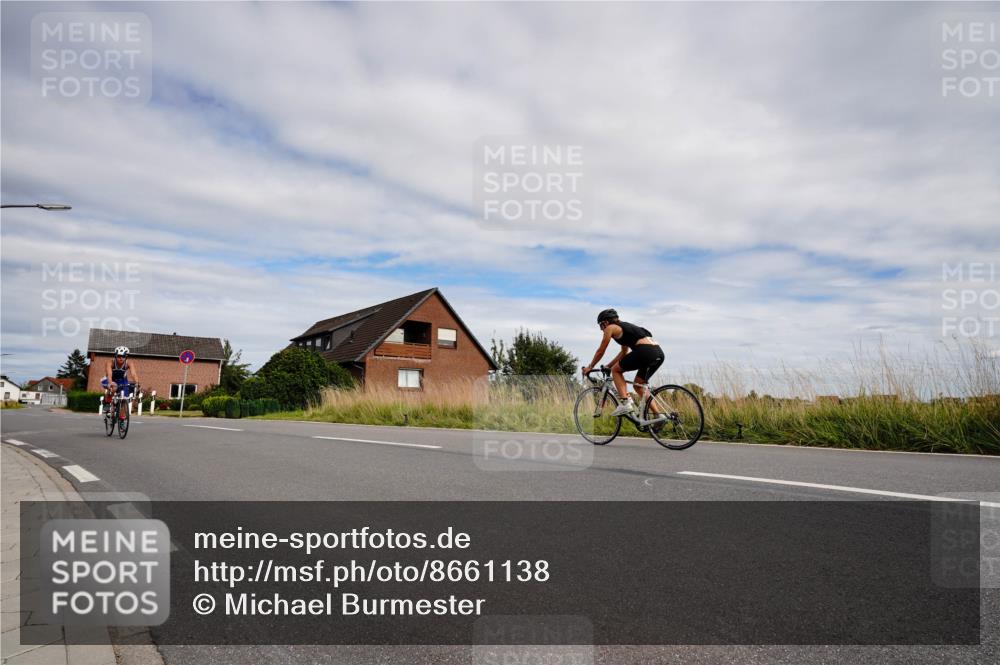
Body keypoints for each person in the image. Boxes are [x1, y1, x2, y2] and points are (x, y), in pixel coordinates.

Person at [582, 309, 664, 418]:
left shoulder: (610, 328)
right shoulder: (624, 328)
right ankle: (657, 415)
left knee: (616, 370)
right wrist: (608, 366)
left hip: (645, 351)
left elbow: (601, 350)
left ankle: (625, 403)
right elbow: (624, 352)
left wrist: (590, 367)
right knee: (638, 386)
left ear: (605, 322)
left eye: (601, 326)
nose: (601, 329)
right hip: (658, 353)